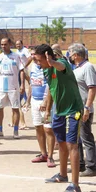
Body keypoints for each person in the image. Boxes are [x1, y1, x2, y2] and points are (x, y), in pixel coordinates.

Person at [34, 44, 83, 192]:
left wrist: (52, 62)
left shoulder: (62, 64)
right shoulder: (46, 71)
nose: (37, 63)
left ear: (48, 57)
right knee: (61, 143)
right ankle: (62, 175)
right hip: (59, 112)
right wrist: (48, 109)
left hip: (73, 110)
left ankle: (75, 185)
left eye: (38, 60)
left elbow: (60, 66)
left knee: (72, 145)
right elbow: (51, 90)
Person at [25, 47, 56, 168]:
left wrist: (46, 102)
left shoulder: (48, 67)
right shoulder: (32, 67)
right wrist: (28, 100)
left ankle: (51, 156)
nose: (33, 57)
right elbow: (32, 84)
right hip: (34, 101)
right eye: (31, 55)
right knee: (38, 127)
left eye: (35, 55)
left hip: (46, 102)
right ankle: (43, 154)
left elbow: (51, 86)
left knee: (48, 129)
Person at [68, 43, 96, 177]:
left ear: (76, 55)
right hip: (75, 108)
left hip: (84, 109)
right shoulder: (77, 68)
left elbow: (92, 88)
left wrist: (87, 107)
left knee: (86, 137)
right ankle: (79, 164)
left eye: (70, 53)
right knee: (76, 137)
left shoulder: (88, 67)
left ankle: (92, 166)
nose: (69, 56)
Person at [0, 38, 25, 139]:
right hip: (2, 88)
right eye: (1, 44)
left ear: (10, 44)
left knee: (15, 109)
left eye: (5, 44)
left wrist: (22, 84)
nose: (3, 46)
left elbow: (21, 70)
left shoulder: (16, 56)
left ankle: (15, 131)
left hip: (13, 88)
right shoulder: (0, 57)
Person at [14, 40, 32, 130]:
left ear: (22, 44)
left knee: (28, 83)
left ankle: (28, 99)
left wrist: (24, 65)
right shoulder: (17, 52)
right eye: (16, 44)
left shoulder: (25, 50)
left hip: (23, 69)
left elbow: (30, 57)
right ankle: (14, 121)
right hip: (18, 70)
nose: (17, 45)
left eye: (19, 44)